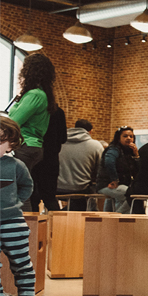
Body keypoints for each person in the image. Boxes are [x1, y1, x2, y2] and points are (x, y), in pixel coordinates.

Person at [0, 117, 38, 296]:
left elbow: (27, 186)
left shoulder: (15, 165)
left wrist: (16, 203)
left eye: (0, 141)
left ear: (11, 145)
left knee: (20, 260)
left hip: (12, 222)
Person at [8, 53, 56, 211]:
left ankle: (26, 226)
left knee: (17, 190)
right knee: (21, 189)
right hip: (33, 147)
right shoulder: (42, 94)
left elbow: (13, 121)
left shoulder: (35, 94)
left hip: (26, 146)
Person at [57, 119, 104, 211]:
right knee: (91, 198)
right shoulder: (95, 145)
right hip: (80, 189)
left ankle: (62, 213)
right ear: (90, 132)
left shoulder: (59, 142)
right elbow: (101, 169)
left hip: (56, 188)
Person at [30, 103, 67, 212]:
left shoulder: (34, 109)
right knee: (50, 198)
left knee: (32, 198)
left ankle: (33, 227)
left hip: (34, 155)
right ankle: (57, 227)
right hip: (51, 158)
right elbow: (63, 138)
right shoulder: (58, 112)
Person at [96, 126, 139, 213]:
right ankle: (117, 217)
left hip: (121, 184)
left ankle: (109, 219)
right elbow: (109, 162)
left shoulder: (129, 152)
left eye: (131, 136)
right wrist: (114, 180)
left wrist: (136, 156)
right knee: (132, 195)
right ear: (118, 138)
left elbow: (136, 170)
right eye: (125, 136)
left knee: (119, 199)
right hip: (107, 184)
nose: (129, 138)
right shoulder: (114, 149)